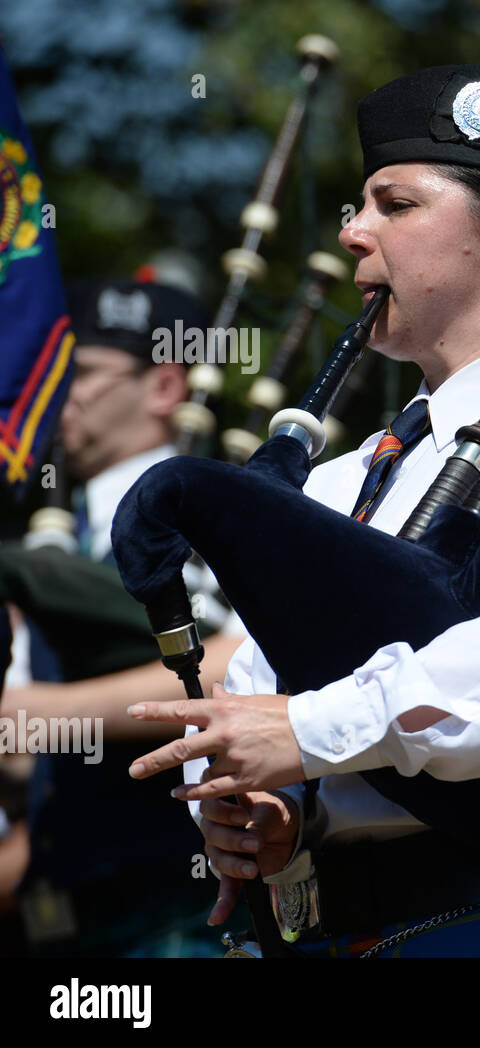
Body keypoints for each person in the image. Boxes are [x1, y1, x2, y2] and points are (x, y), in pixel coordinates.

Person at [125, 65, 480, 957]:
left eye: (395, 204)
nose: (353, 232)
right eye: (359, 206)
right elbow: (264, 681)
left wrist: (314, 734)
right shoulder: (350, 474)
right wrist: (279, 814)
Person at [0, 279, 247, 956]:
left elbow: (231, 665)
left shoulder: (197, 508)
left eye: (77, 373)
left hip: (181, 915)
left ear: (165, 388)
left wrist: (39, 713)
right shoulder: (68, 537)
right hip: (67, 921)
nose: (55, 396)